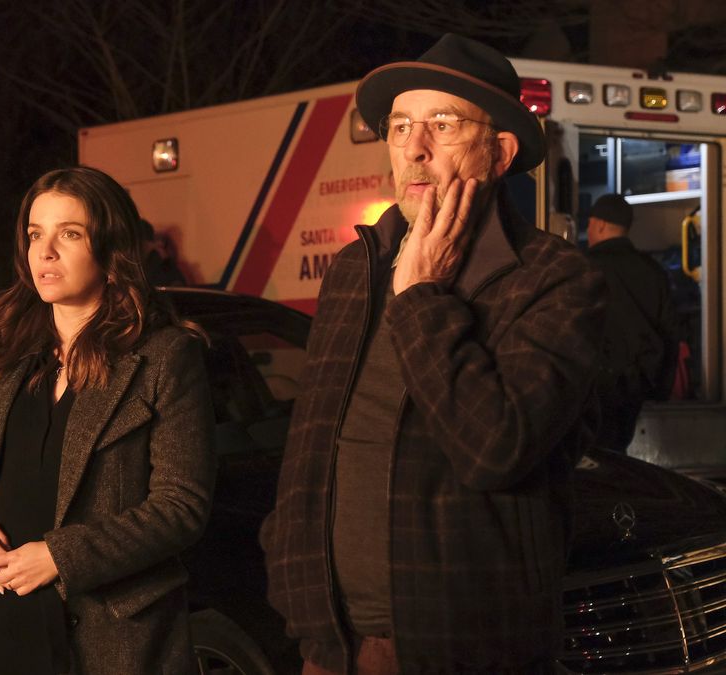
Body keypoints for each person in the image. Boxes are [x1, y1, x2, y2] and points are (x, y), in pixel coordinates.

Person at [260, 34, 607, 673]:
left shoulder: (554, 279)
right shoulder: (354, 268)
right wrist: (293, 582)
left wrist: (421, 295)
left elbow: (495, 448)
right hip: (329, 646)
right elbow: (311, 442)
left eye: (442, 125)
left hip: (459, 648)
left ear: (500, 152)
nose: (414, 149)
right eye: (399, 128)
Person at [0, 166, 215, 675]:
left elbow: (181, 505)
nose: (45, 252)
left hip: (104, 633)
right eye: (35, 235)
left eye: (69, 234)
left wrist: (61, 557)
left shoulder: (165, 357)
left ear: (110, 247)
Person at [585, 193, 677, 451]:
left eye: (589, 224)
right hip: (640, 388)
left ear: (600, 225)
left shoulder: (584, 269)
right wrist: (661, 390)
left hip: (595, 389)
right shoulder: (654, 271)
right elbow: (670, 332)